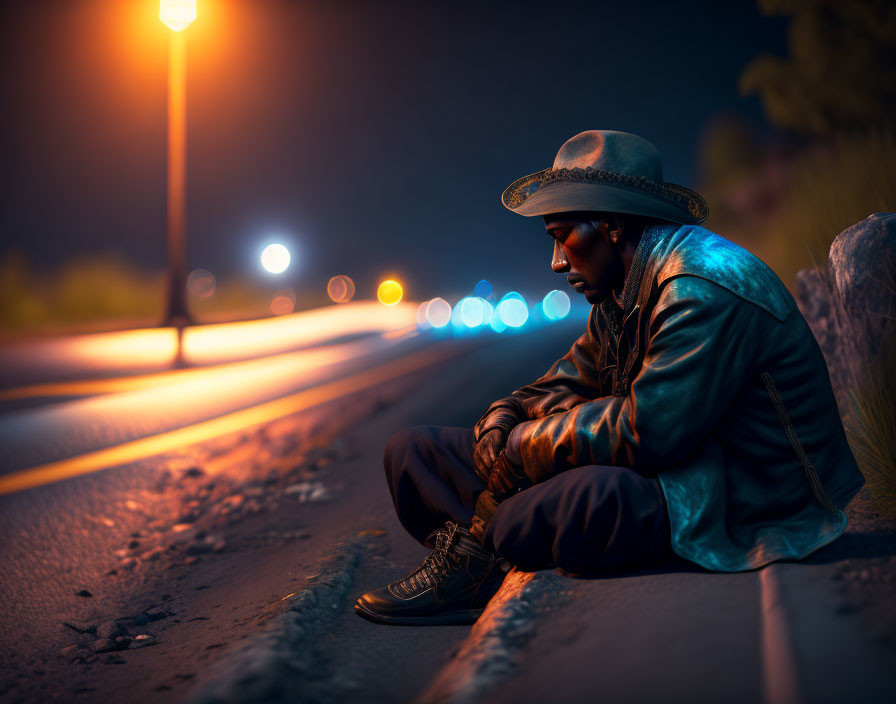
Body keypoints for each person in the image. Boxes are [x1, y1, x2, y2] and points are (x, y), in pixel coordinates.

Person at [353, 130, 865, 626]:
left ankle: (477, 556)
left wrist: (523, 447)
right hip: (677, 465)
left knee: (560, 506)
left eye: (562, 238)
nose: (555, 262)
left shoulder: (699, 285)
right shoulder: (623, 282)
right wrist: (504, 418)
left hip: (740, 494)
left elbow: (650, 430)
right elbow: (569, 381)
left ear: (612, 226)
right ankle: (481, 555)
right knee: (412, 454)